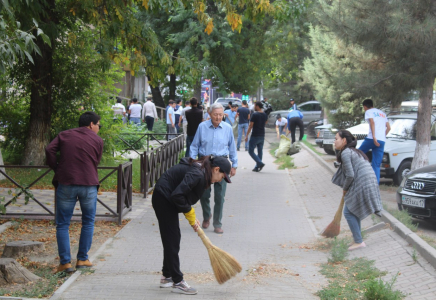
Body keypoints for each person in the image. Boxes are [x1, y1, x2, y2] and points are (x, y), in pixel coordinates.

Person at [153, 155, 231, 295]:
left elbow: (181, 195)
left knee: (173, 239)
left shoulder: (203, 172)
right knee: (172, 239)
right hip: (163, 198)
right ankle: (178, 282)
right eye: (223, 176)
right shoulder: (198, 174)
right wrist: (190, 213)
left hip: (166, 198)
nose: (221, 180)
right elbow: (177, 195)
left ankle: (167, 276)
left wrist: (191, 216)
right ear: (216, 169)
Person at [45, 112, 103, 273]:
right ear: (91, 124)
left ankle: (65, 263)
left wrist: (57, 168)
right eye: (99, 125)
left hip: (67, 182)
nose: (99, 128)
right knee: (88, 222)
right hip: (89, 183)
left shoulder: (64, 135)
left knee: (63, 224)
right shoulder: (97, 140)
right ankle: (83, 259)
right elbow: (96, 161)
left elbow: (49, 150)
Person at [190, 102, 238, 234]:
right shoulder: (202, 127)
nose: (218, 117)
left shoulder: (227, 128)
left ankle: (217, 222)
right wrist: (193, 161)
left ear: (223, 115)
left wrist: (234, 165)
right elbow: (194, 146)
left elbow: (232, 147)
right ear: (210, 114)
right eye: (215, 114)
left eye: (220, 115)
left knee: (220, 196)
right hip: (205, 163)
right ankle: (207, 216)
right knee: (204, 194)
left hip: (222, 163)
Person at [332, 129, 382, 251]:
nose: (334, 141)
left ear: (344, 140)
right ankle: (357, 239)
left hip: (363, 183)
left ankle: (359, 241)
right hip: (368, 181)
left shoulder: (346, 153)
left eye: (336, 139)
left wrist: (345, 189)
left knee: (348, 212)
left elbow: (350, 175)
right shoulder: (353, 151)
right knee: (353, 211)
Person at [358, 99, 391, 183]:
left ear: (365, 106)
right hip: (381, 140)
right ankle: (375, 184)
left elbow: (372, 122)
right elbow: (388, 128)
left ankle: (355, 175)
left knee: (358, 154)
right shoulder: (382, 113)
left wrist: (374, 136)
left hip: (371, 138)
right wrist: (382, 136)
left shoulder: (369, 112)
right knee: (376, 164)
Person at [246, 101, 268, 172]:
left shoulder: (255, 114)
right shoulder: (265, 114)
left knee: (250, 151)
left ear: (257, 106)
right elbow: (266, 122)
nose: (253, 107)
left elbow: (250, 125)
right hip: (262, 134)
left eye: (254, 105)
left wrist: (246, 135)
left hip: (255, 135)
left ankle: (259, 163)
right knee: (260, 150)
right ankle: (257, 167)